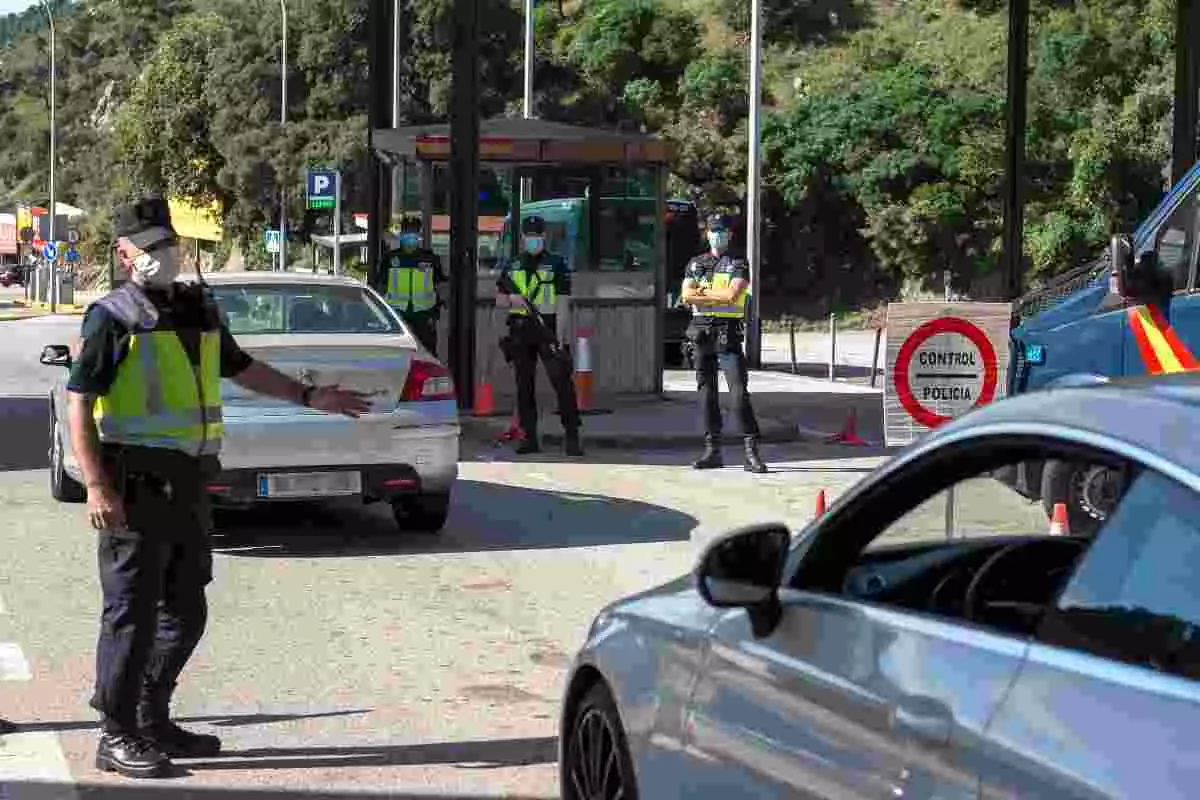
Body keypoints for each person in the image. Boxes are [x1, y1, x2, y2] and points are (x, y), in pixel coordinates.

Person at [68, 195, 371, 779]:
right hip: (134, 478)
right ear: (125, 254)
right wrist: (96, 486)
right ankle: (116, 732)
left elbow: (241, 367)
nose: (166, 255)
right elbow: (80, 401)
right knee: (130, 611)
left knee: (186, 606)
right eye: (152, 247)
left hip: (189, 479)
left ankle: (153, 717)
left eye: (168, 243)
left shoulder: (197, 307)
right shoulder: (112, 316)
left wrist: (310, 397)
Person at [681, 213, 768, 474]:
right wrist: (715, 297)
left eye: (722, 230)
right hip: (700, 335)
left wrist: (703, 295)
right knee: (707, 396)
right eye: (713, 230)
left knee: (739, 395)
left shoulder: (739, 262)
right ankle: (712, 451)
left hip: (727, 335)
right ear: (706, 233)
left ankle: (751, 452)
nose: (717, 234)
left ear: (730, 234)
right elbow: (686, 295)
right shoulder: (695, 263)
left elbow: (734, 294)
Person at [495, 216, 583, 457]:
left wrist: (562, 339)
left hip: (549, 327)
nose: (533, 240)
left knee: (562, 384)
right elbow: (499, 299)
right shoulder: (512, 266)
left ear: (544, 237)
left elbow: (563, 304)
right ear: (523, 238)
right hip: (521, 329)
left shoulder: (557, 264)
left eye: (537, 236)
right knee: (524, 386)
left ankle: (572, 436)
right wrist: (511, 299)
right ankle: (529, 438)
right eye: (529, 236)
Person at [383, 216, 445, 354]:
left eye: (414, 232)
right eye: (407, 232)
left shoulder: (430, 259)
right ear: (401, 234)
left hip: (424, 317)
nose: (410, 236)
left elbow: (441, 286)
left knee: (427, 356)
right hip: (398, 318)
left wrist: (437, 311)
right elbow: (380, 286)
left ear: (419, 235)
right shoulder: (390, 259)